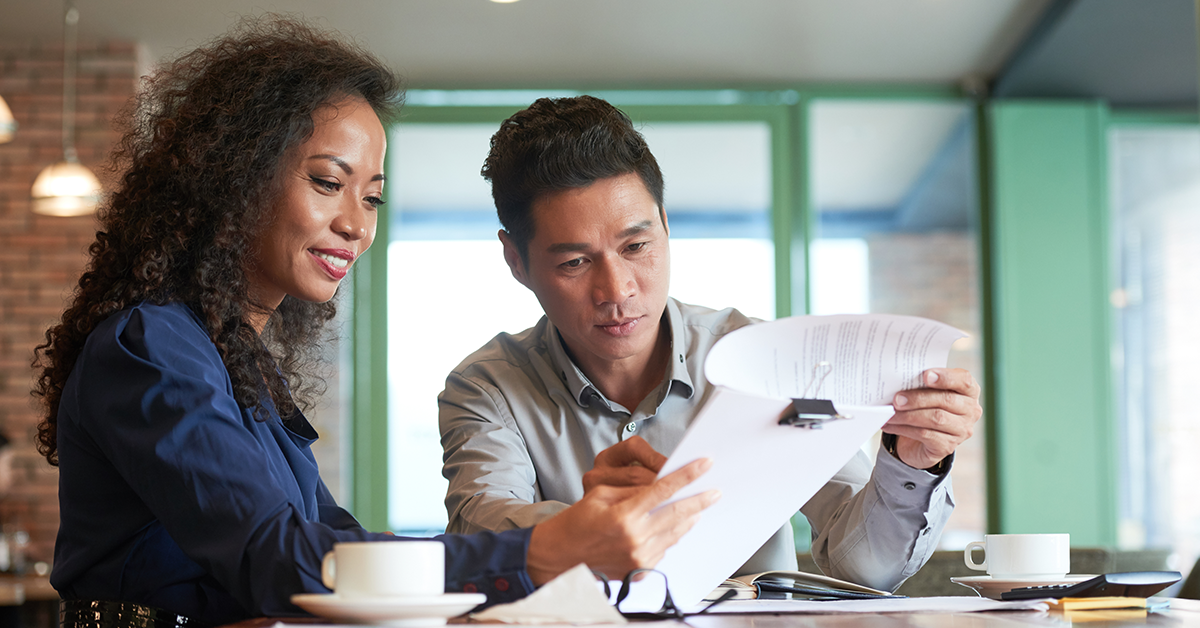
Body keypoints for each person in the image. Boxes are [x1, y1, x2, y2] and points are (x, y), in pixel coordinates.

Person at [31, 23, 715, 627]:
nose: (357, 225)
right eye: (328, 182)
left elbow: (339, 549)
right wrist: (548, 549)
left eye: (372, 196)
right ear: (237, 174)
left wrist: (553, 544)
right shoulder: (150, 346)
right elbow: (278, 560)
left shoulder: (239, 365)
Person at [439, 95, 983, 592]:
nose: (617, 290)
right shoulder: (488, 388)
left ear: (666, 227)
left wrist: (912, 464)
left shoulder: (767, 359)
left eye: (636, 245)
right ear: (517, 262)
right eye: (574, 262)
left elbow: (864, 568)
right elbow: (480, 534)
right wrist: (593, 525)